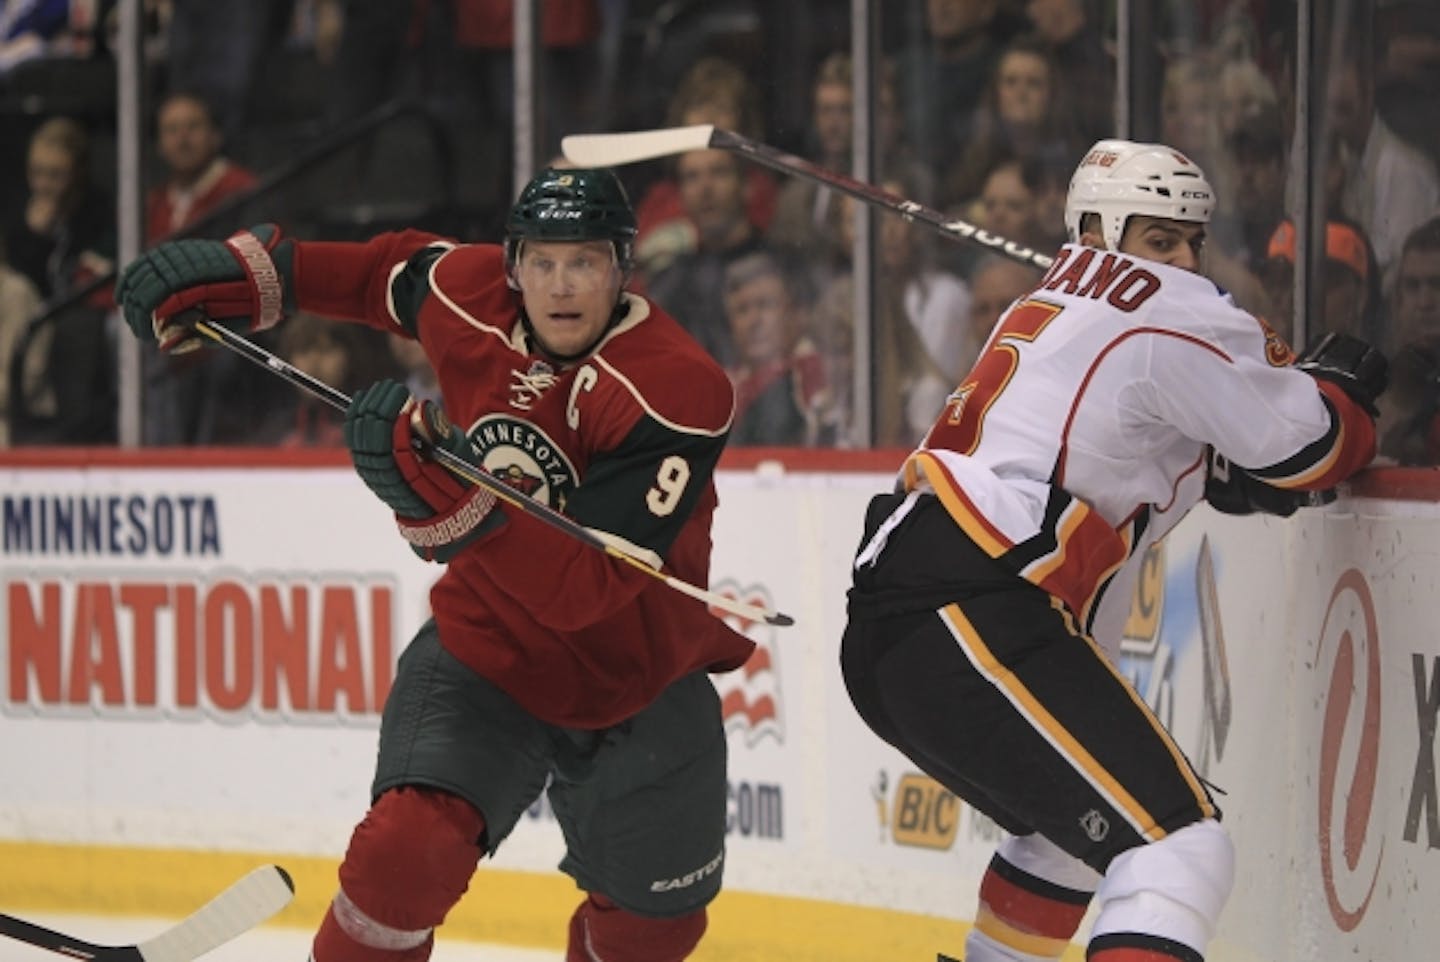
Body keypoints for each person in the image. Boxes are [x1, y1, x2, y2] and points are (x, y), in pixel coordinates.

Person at [114, 166, 756, 962]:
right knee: (400, 860)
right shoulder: (468, 292)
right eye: (543, 262)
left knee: (651, 938)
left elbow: (588, 589)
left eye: (585, 262)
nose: (561, 286)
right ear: (512, 264)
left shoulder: (675, 389)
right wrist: (260, 278)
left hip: (639, 675)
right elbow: (387, 272)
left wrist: (446, 507)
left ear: (623, 269)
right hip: (489, 652)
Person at [839, 140, 1386, 962]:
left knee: (1065, 842)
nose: (1184, 261)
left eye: (1192, 242)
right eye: (1161, 240)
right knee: (1180, 849)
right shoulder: (1169, 307)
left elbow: (1162, 438)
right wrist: (1342, 397)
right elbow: (1312, 447)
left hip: (899, 623)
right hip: (972, 606)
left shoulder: (1041, 309)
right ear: (1096, 231)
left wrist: (1226, 465)